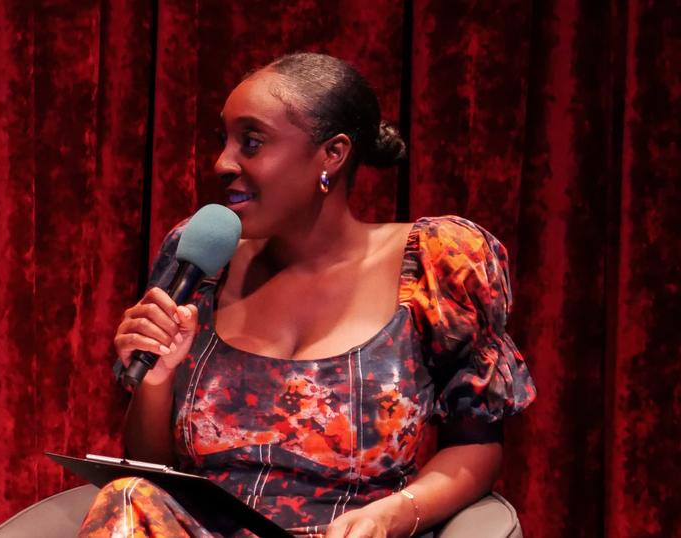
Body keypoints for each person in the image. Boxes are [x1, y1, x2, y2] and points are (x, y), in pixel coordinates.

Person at [79, 52, 536, 538]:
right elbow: (148, 475)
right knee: (127, 498)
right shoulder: (202, 262)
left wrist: (392, 515)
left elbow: (477, 444)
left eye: (251, 143)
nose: (222, 163)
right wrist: (157, 379)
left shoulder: (434, 263)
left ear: (332, 154)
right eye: (224, 141)